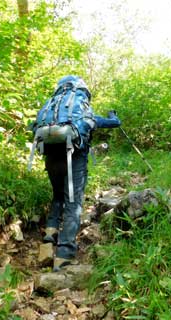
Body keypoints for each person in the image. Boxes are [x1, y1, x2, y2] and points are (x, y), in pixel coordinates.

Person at [41, 76, 121, 271]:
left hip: (51, 155)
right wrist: (113, 115)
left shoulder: (52, 109)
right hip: (74, 158)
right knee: (73, 202)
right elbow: (113, 123)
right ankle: (64, 254)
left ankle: (49, 234)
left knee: (57, 195)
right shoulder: (83, 110)